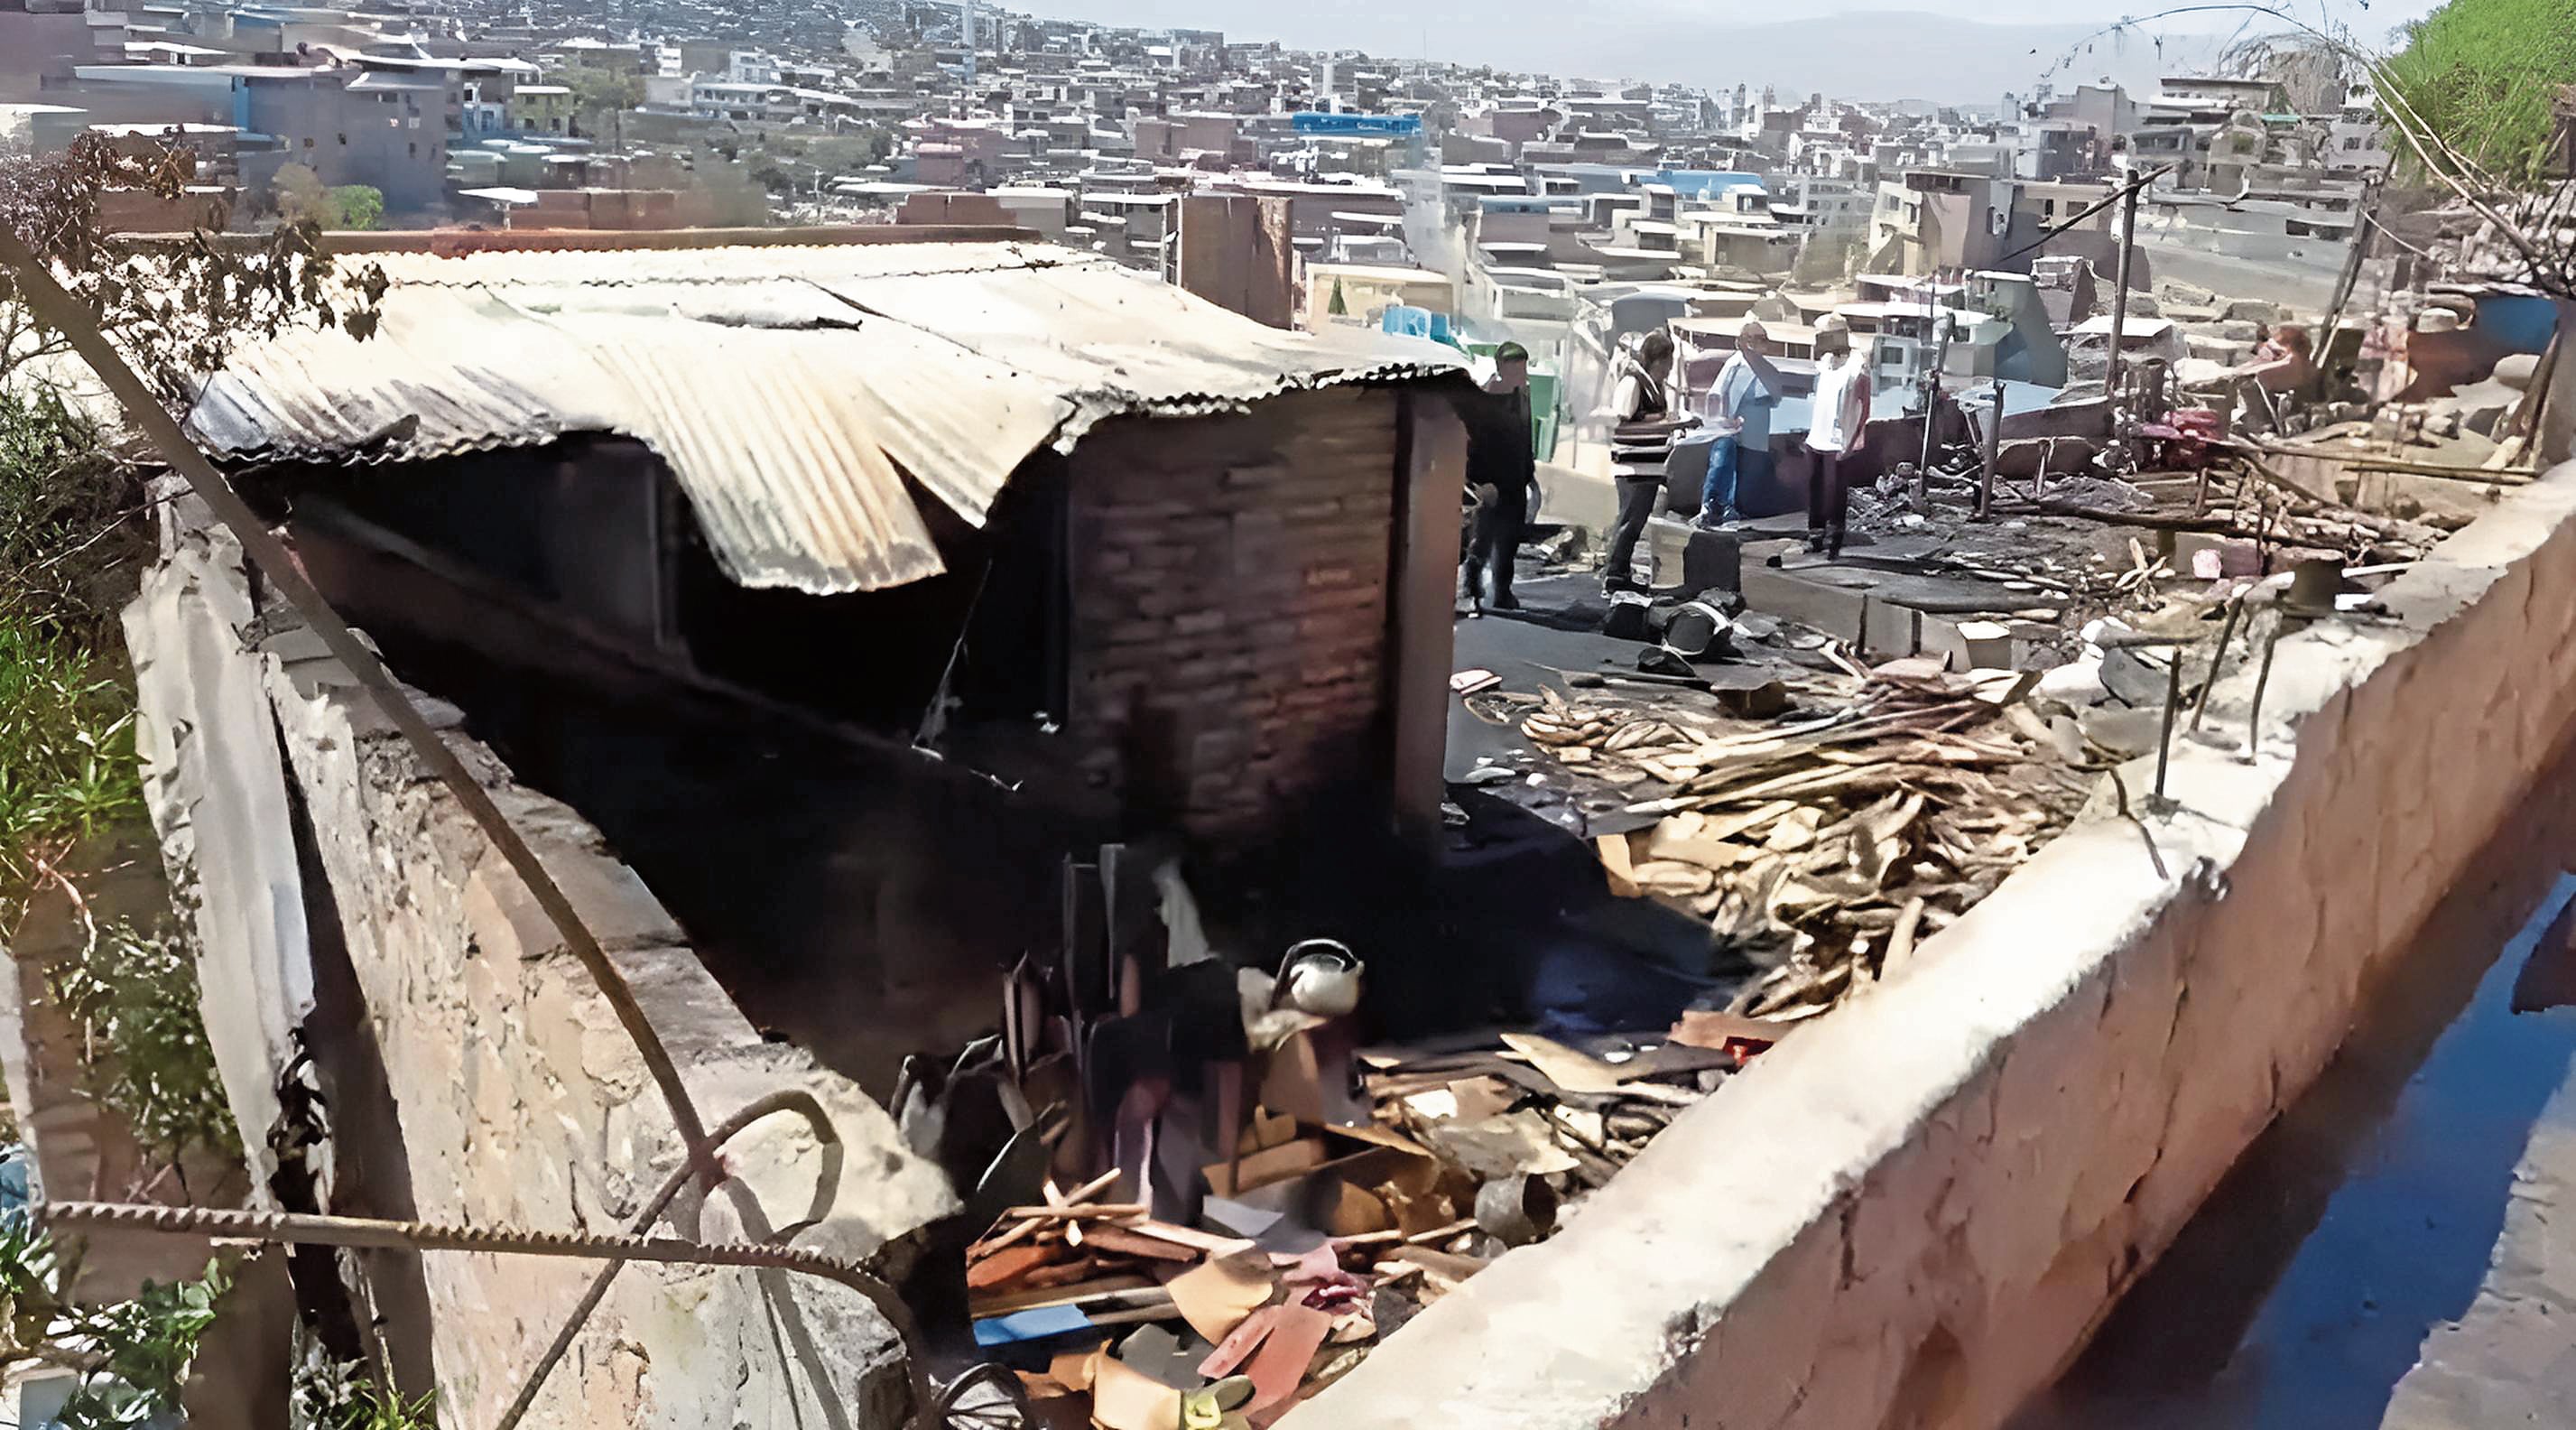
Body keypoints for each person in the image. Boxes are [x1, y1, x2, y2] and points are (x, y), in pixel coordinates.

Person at [1599, 328, 1692, 591]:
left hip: (1649, 466)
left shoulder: (1656, 385)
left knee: (1636, 522)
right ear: (1656, 359)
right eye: (1666, 362)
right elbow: (1623, 422)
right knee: (1629, 521)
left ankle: (1620, 571)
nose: (1669, 368)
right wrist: (1666, 422)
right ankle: (1614, 574)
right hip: (1632, 466)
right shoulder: (1633, 383)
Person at [1459, 342, 1536, 612]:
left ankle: (1502, 591)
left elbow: (1525, 437)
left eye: (1524, 367)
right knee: (1484, 537)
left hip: (1516, 479)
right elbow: (1475, 445)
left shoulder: (1523, 395)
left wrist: (1529, 473)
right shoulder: (1486, 398)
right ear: (1502, 368)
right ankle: (1472, 586)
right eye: (1516, 367)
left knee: (1510, 539)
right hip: (1492, 482)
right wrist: (1479, 482)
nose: (1521, 373)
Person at [1697, 319, 1782, 528]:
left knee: (1749, 472)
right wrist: (1723, 420)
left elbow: (1775, 397)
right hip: (1728, 428)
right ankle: (1712, 507)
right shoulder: (1734, 364)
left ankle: (1734, 510)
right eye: (1757, 339)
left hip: (1754, 430)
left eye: (1764, 339)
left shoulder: (1767, 369)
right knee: (1722, 466)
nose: (1763, 343)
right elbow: (1717, 394)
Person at [1804, 330, 1871, 557]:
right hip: (1816, 439)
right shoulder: (1825, 365)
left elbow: (1864, 411)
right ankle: (1815, 535)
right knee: (1815, 488)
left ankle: (1835, 538)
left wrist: (1850, 444)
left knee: (1834, 492)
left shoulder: (1856, 370)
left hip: (1838, 443)